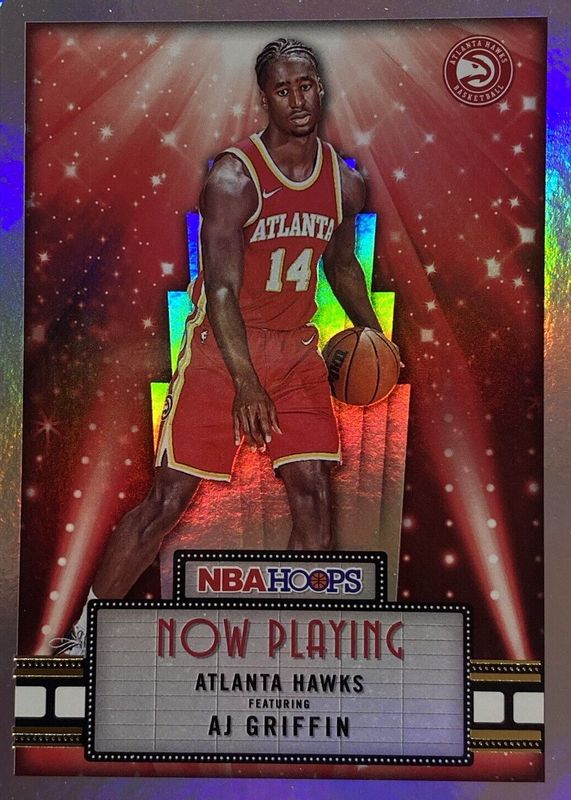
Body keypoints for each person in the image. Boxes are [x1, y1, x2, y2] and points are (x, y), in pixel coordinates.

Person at [52, 37, 398, 656]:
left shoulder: (345, 183)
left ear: (320, 88)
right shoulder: (235, 179)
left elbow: (342, 264)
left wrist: (375, 334)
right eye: (283, 90)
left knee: (314, 496)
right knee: (167, 501)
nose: (297, 99)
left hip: (295, 351)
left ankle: (287, 642)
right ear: (264, 98)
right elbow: (221, 291)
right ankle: (83, 637)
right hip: (222, 351)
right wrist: (246, 384)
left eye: (306, 85)